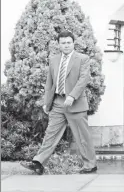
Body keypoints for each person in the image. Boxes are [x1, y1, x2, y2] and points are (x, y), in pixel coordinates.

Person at [21, 30, 97, 175]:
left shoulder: (82, 58)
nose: (66, 45)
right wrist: (46, 102)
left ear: (73, 43)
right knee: (51, 133)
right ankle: (38, 163)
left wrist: (72, 96)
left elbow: (84, 79)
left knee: (82, 136)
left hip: (75, 103)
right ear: (58, 44)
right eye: (63, 43)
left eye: (69, 42)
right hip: (57, 102)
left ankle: (90, 165)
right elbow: (50, 82)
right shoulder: (54, 59)